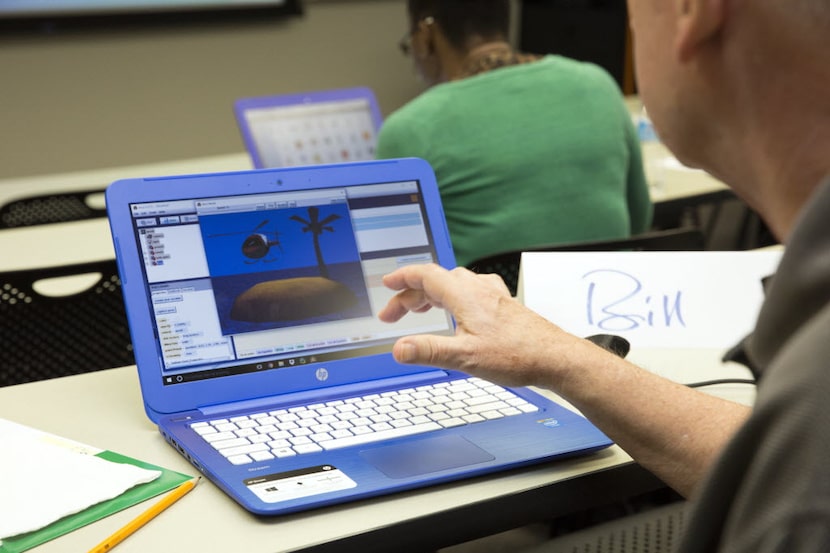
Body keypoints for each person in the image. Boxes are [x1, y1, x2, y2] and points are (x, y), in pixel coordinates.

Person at [378, 0, 830, 550]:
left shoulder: (814, 365)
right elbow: (789, 470)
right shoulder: (594, 83)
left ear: (692, 11)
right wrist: (559, 355)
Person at [375, 0, 652, 267]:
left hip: (490, 313)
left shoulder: (410, 129)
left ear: (425, 35)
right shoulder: (598, 84)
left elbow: (393, 270)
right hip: (606, 303)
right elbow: (639, 219)